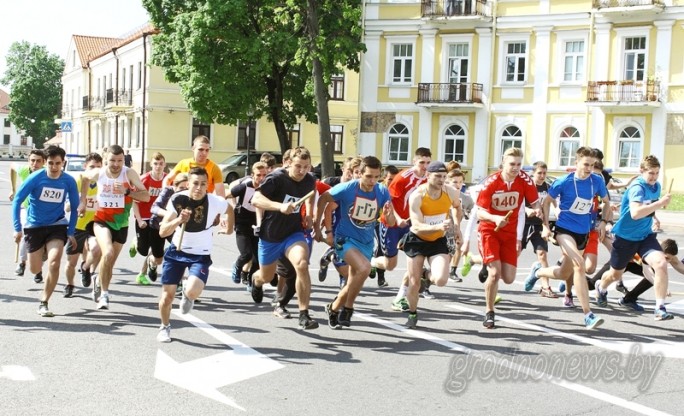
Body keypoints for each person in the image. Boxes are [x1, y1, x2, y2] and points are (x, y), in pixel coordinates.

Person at [526, 147, 610, 329]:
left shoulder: (597, 181)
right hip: (564, 230)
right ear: (577, 163)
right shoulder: (564, 182)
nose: (589, 168)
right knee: (580, 265)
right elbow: (547, 202)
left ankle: (538, 272)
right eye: (586, 164)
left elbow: (606, 202)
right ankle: (588, 314)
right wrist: (546, 226)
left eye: (592, 165)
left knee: (565, 273)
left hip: (583, 232)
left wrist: (603, 221)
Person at [315, 156, 395, 328]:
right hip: (345, 239)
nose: (372, 181)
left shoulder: (382, 191)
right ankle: (348, 308)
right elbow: (323, 199)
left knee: (354, 279)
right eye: (368, 176)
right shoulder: (348, 188)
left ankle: (334, 308)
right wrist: (317, 227)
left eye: (376, 177)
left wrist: (388, 215)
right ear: (360, 174)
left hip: (366, 242)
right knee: (365, 269)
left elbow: (392, 221)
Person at [156, 167, 232, 342]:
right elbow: (162, 232)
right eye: (195, 183)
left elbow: (229, 210)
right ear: (188, 184)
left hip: (201, 254)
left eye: (203, 184)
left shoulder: (215, 201)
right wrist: (179, 220)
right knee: (167, 297)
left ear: (208, 186)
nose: (199, 188)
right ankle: (164, 326)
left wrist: (229, 228)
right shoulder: (177, 199)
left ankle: (188, 296)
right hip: (177, 251)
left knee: (191, 291)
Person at [595, 155, 674, 321]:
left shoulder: (656, 186)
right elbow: (636, 213)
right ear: (641, 171)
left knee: (660, 263)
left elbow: (648, 209)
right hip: (625, 238)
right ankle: (601, 287)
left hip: (645, 236)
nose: (654, 177)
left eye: (657, 173)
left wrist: (654, 216)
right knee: (615, 275)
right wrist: (659, 204)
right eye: (651, 173)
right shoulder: (637, 188)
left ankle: (660, 308)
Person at [250, 146, 318, 330]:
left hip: (293, 233)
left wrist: (309, 214)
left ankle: (304, 314)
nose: (302, 171)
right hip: (271, 235)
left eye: (306, 166)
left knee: (302, 265)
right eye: (298, 166)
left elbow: (311, 196)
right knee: (266, 276)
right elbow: (256, 199)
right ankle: (256, 281)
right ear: (289, 164)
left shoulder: (309, 180)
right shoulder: (277, 178)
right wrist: (279, 206)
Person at [77, 144, 150, 310]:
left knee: (109, 262)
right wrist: (82, 200)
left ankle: (98, 279)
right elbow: (84, 177)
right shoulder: (99, 172)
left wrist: (127, 192)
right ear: (105, 160)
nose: (116, 164)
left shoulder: (129, 173)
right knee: (107, 252)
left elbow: (145, 197)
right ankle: (104, 294)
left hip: (121, 224)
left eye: (120, 160)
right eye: (112, 160)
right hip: (101, 220)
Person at [476, 147, 541, 329]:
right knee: (495, 274)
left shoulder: (524, 179)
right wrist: (495, 217)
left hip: (510, 233)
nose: (515, 168)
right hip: (490, 229)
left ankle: (486, 263)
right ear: (503, 162)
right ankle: (489, 312)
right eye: (512, 164)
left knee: (509, 278)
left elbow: (535, 201)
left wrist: (536, 209)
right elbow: (479, 212)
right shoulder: (491, 182)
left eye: (519, 164)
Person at [12, 146, 79, 317]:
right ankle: (40, 254)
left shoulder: (68, 181)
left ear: (63, 162)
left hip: (57, 225)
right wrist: (17, 228)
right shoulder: (35, 178)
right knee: (34, 269)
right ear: (46, 163)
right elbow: (17, 200)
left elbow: (75, 208)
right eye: (50, 163)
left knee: (55, 262)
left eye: (58, 163)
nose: (54, 167)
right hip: (35, 226)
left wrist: (71, 231)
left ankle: (44, 302)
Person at [402, 161, 462, 328]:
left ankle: (426, 275)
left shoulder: (451, 192)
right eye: (437, 176)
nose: (441, 180)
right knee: (414, 283)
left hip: (438, 240)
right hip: (417, 240)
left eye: (444, 177)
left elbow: (457, 208)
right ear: (427, 176)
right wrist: (437, 226)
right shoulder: (418, 196)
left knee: (441, 280)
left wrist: (457, 228)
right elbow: (415, 225)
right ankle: (412, 314)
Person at [372, 148, 431, 311]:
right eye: (421, 163)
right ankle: (370, 262)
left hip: (412, 225)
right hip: (391, 224)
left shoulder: (429, 178)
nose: (425, 167)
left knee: (415, 262)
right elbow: (388, 202)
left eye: (428, 163)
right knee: (390, 264)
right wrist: (398, 220)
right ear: (414, 161)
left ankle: (399, 298)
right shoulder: (402, 178)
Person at [64, 153, 103, 297]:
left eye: (99, 167)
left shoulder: (103, 182)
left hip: (96, 224)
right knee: (71, 261)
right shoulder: (78, 180)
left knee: (97, 249)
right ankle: (69, 284)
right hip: (78, 225)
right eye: (92, 167)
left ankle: (87, 268)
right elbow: (68, 205)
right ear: (85, 167)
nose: (95, 170)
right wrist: (73, 205)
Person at [227, 161, 268, 285]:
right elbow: (227, 195)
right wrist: (229, 209)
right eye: (258, 175)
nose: (261, 178)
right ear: (252, 175)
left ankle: (251, 282)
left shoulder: (267, 188)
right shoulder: (245, 186)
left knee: (257, 257)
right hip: (242, 223)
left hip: (258, 223)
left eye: (264, 175)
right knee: (246, 254)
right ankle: (237, 266)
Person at [521, 161, 557, 298]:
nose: (542, 176)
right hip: (524, 224)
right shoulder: (527, 186)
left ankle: (545, 287)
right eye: (539, 173)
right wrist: (527, 209)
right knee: (515, 254)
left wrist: (547, 225)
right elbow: (518, 205)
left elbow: (549, 206)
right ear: (533, 173)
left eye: (544, 173)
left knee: (542, 254)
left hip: (539, 225)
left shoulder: (547, 187)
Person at [130, 152, 167, 285]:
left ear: (165, 165)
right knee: (143, 250)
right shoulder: (144, 180)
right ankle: (136, 242)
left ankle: (146, 270)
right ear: (151, 164)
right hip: (144, 217)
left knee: (156, 247)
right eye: (155, 164)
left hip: (159, 218)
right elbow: (135, 201)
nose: (158, 167)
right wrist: (139, 220)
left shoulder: (167, 180)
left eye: (161, 164)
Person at [9, 149, 46, 281]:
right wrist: (13, 189)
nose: (35, 164)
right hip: (27, 208)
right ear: (28, 161)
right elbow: (12, 166)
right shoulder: (24, 170)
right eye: (32, 160)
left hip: (43, 212)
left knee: (42, 242)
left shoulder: (47, 173)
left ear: (44, 162)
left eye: (38, 161)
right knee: (26, 233)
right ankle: (22, 263)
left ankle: (38, 270)